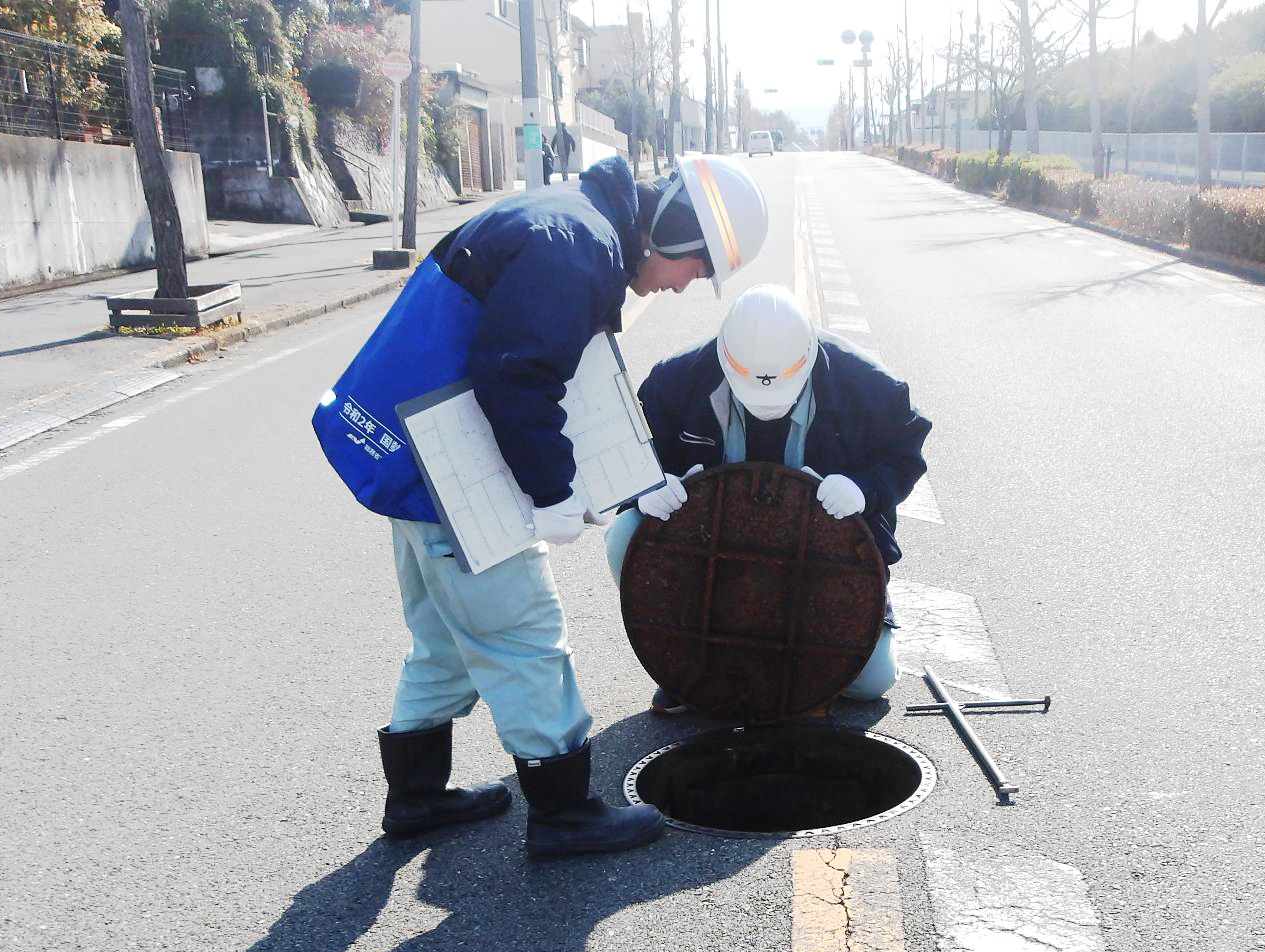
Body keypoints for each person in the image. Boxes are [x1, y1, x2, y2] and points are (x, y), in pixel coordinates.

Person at [311, 152, 769, 856]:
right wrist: (554, 491)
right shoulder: (578, 246)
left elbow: (553, 370)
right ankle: (564, 812)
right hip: (453, 475)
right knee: (525, 632)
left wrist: (627, 475)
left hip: (414, 458)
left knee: (445, 638)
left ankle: (417, 797)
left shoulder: (568, 221)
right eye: (697, 270)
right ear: (678, 233)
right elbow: (519, 377)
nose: (684, 289)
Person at [605, 283, 931, 715]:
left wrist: (864, 488)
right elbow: (624, 455)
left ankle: (809, 655)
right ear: (725, 361)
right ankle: (686, 665)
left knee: (872, 681)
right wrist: (643, 487)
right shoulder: (675, 381)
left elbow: (904, 455)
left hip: (821, 560)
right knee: (625, 533)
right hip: (709, 558)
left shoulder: (869, 386)